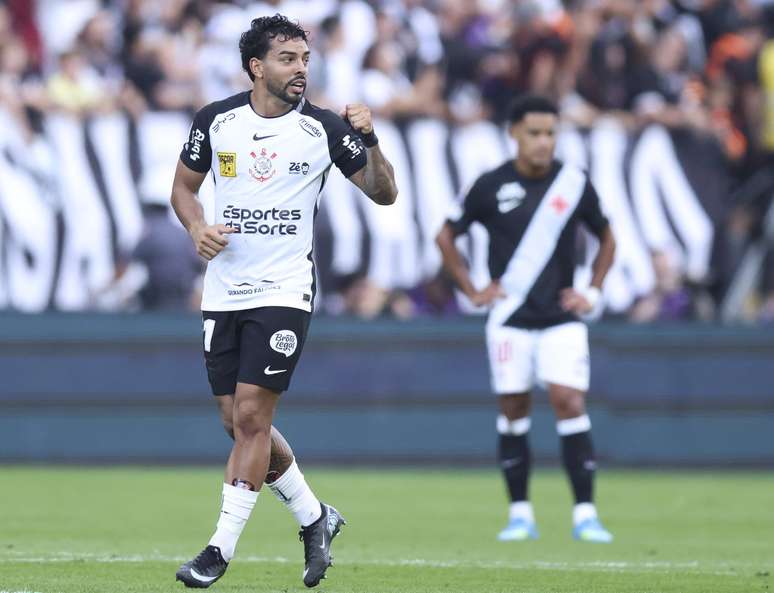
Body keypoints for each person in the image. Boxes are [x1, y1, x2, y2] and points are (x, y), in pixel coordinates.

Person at [170, 14, 397, 589]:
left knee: (251, 416)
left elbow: (384, 192)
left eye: (304, 59)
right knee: (235, 422)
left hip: (284, 290)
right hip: (224, 292)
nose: (300, 70)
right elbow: (182, 188)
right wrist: (196, 227)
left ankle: (218, 550)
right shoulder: (216, 121)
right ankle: (315, 516)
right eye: (288, 59)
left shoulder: (323, 129)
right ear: (256, 66)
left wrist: (369, 138)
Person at [436, 95, 616, 543]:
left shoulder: (573, 183)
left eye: (551, 133)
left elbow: (607, 236)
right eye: (535, 133)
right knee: (513, 410)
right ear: (514, 133)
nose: (543, 142)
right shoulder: (491, 185)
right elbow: (446, 235)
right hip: (509, 318)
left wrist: (592, 290)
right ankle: (520, 514)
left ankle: (585, 514)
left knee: (569, 402)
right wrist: (474, 289)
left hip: (560, 318)